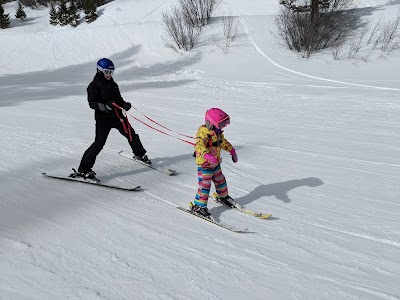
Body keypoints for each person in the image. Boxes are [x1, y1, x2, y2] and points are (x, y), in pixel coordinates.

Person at [72, 58, 150, 180]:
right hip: (103, 119)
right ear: (100, 71)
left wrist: (124, 104)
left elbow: (118, 99)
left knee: (131, 134)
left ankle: (140, 154)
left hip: (117, 116)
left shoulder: (113, 84)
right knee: (99, 144)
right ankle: (83, 170)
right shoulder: (93, 86)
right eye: (107, 72)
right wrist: (104, 106)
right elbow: (92, 103)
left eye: (111, 72)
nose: (109, 75)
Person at [190, 108, 239, 217]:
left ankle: (223, 197)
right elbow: (199, 146)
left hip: (215, 164)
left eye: (225, 123)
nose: (224, 126)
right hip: (205, 165)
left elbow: (223, 143)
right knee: (205, 185)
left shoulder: (218, 133)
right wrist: (208, 156)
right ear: (211, 123)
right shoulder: (203, 134)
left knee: (220, 180)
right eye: (221, 124)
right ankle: (199, 206)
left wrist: (232, 151)